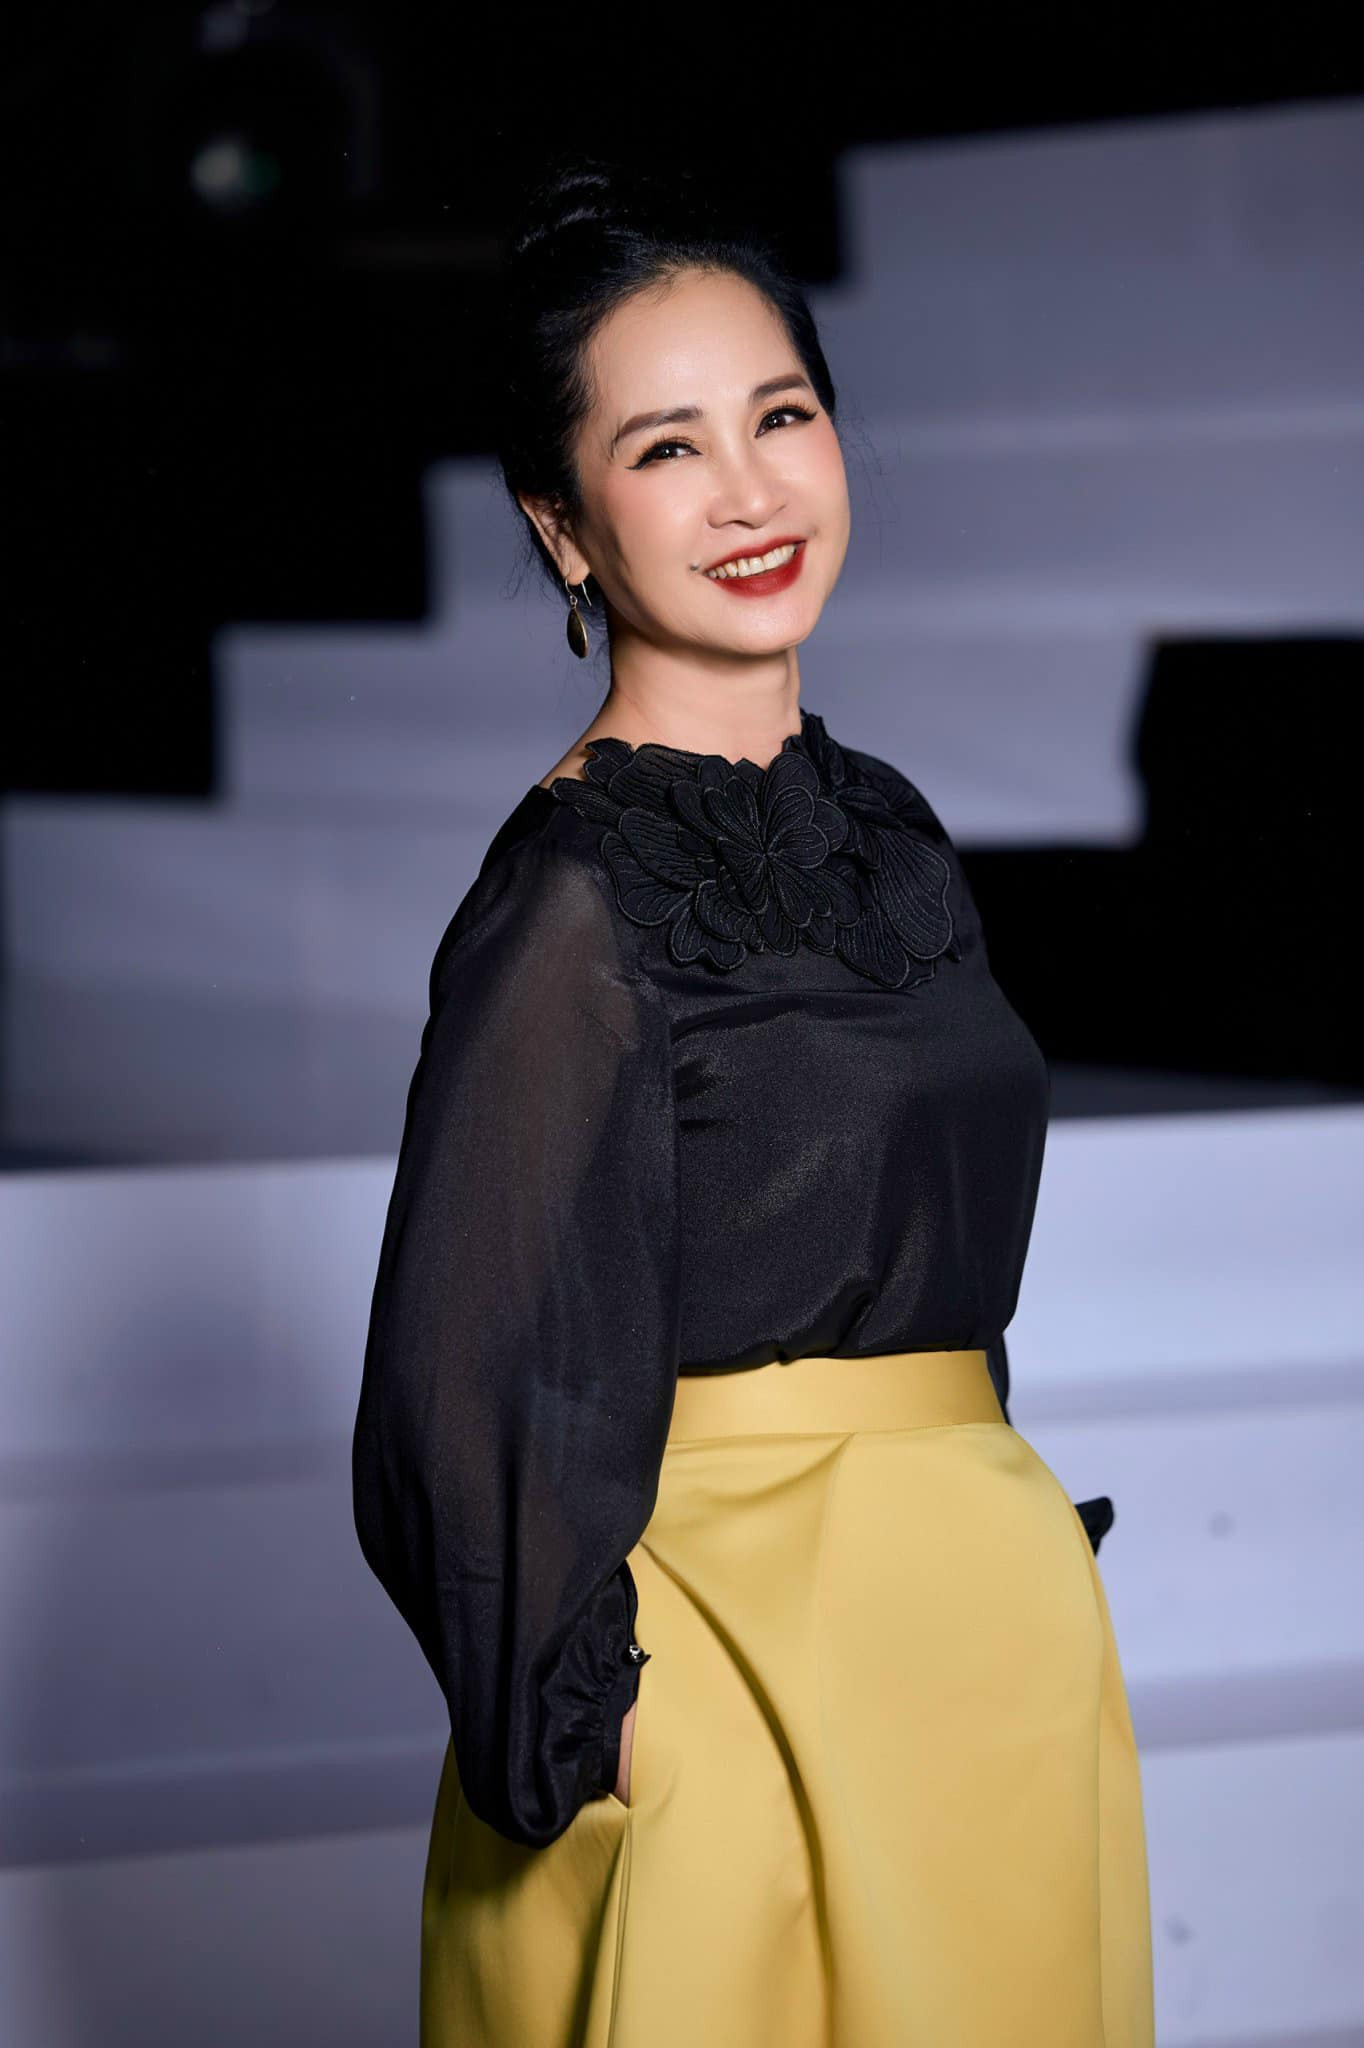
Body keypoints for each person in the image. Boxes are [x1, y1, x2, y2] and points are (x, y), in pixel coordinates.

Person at [352, 151, 1154, 2047]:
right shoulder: (571, 896)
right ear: (563, 526)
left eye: (781, 416)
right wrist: (613, 1724)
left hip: (977, 1654)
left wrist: (1005, 1551)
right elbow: (457, 1383)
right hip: (726, 1683)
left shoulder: (893, 831)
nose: (748, 490)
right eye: (666, 447)